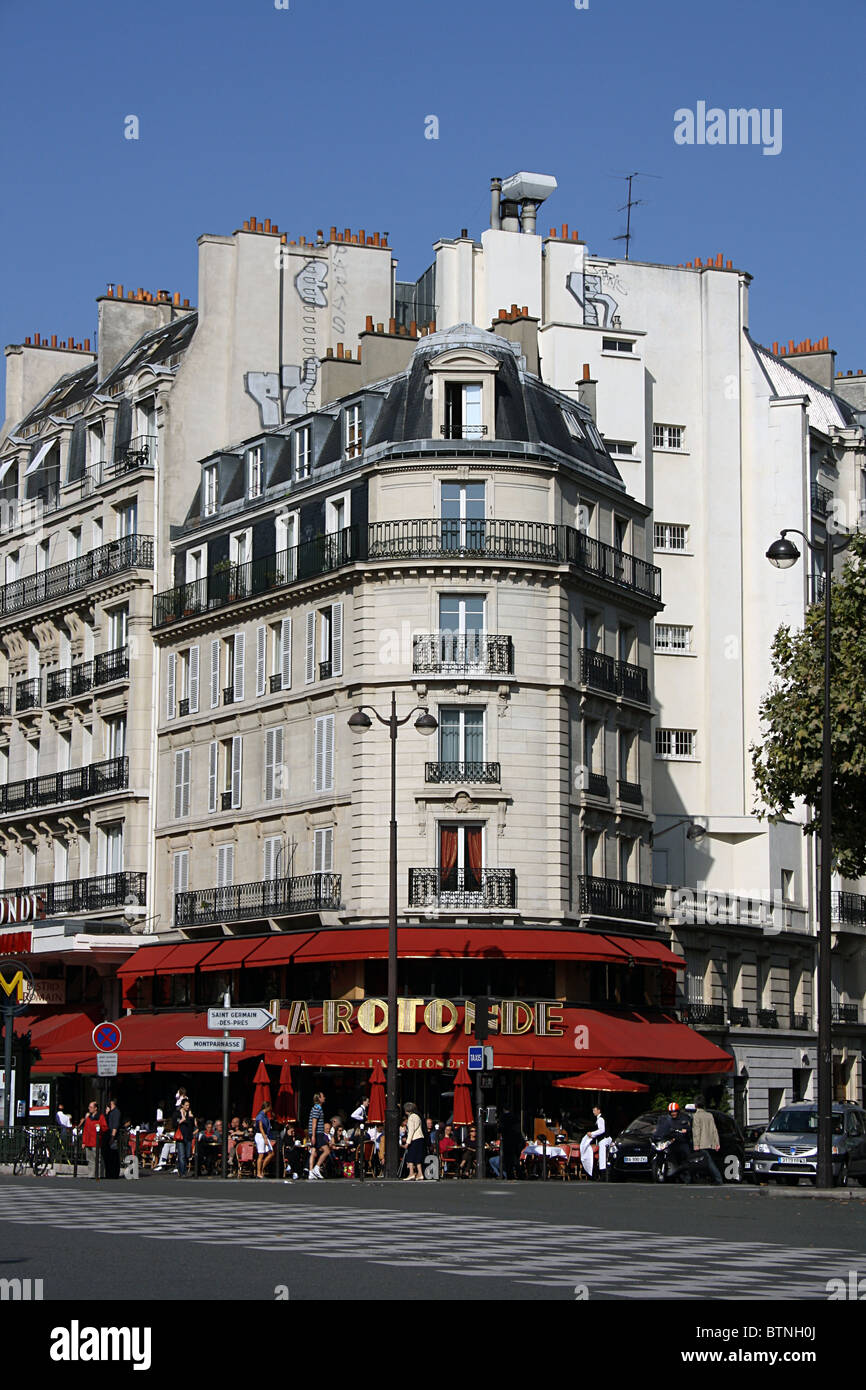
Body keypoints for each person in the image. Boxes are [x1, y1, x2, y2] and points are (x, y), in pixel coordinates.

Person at [652, 1102, 693, 1183]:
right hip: (670, 1141)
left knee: (686, 1154)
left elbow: (689, 1129)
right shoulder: (665, 1119)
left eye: (675, 1111)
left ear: (678, 1111)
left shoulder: (684, 1118)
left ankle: (688, 1175)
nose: (673, 1113)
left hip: (681, 1141)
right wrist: (656, 1133)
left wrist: (685, 1130)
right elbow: (660, 1129)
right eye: (671, 1112)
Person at [691, 1096, 724, 1185]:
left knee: (709, 1162)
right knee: (710, 1161)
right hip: (711, 1142)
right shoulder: (709, 1115)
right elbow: (714, 1130)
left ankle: (718, 1179)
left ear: (696, 1105)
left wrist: (696, 1144)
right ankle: (711, 1178)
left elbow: (696, 1131)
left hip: (702, 1143)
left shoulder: (696, 1116)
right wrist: (717, 1143)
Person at [580, 1106, 611, 1179]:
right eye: (593, 1110)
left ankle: (603, 1176)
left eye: (594, 1110)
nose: (593, 1112)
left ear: (599, 1111)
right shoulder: (599, 1119)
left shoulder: (600, 1119)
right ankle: (602, 1175)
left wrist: (592, 1133)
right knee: (602, 1157)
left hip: (604, 1139)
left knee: (602, 1157)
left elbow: (602, 1130)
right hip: (603, 1139)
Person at [80, 1100, 106, 1179]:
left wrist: (100, 1127)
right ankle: (91, 1174)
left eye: (91, 1107)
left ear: (95, 1108)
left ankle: (100, 1174)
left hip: (96, 1142)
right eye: (89, 1107)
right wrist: (84, 1142)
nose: (89, 1109)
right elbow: (85, 1131)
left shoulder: (100, 1117)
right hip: (88, 1142)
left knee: (98, 1159)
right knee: (90, 1159)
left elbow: (105, 1128)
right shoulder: (88, 1118)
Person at [308, 1091, 330, 1180]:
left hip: (316, 1133)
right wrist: (313, 1135)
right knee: (327, 1151)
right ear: (319, 1098)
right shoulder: (317, 1108)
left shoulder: (317, 1108)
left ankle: (310, 1172)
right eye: (323, 1096)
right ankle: (316, 1168)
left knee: (314, 1152)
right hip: (317, 1133)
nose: (324, 1098)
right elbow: (314, 1122)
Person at [402, 1102, 425, 1180]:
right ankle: (420, 1173)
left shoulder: (411, 1117)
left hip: (414, 1139)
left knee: (410, 1156)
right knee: (418, 1157)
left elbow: (411, 1130)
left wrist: (407, 1142)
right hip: (420, 1138)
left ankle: (411, 1173)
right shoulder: (418, 1116)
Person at [175, 1098, 195, 1177]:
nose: (187, 1107)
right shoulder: (177, 1113)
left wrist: (191, 1117)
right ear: (182, 1105)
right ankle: (183, 1172)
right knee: (181, 1155)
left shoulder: (189, 1114)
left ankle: (180, 1167)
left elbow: (192, 1125)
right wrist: (181, 1120)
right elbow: (174, 1124)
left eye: (188, 1105)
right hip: (181, 1137)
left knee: (188, 1155)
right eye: (186, 1105)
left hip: (188, 1136)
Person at [103, 1098, 122, 1179]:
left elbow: (115, 1126)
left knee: (113, 1155)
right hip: (108, 1135)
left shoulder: (116, 1112)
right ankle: (109, 1173)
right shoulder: (110, 1112)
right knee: (108, 1155)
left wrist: (112, 1137)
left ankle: (114, 1173)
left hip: (112, 1137)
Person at [255, 1102, 275, 1178]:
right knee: (261, 1154)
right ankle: (258, 1173)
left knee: (271, 1153)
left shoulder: (265, 1116)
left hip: (265, 1135)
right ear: (267, 1107)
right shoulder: (260, 1115)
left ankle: (261, 1170)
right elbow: (260, 1127)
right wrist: (265, 1138)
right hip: (261, 1135)